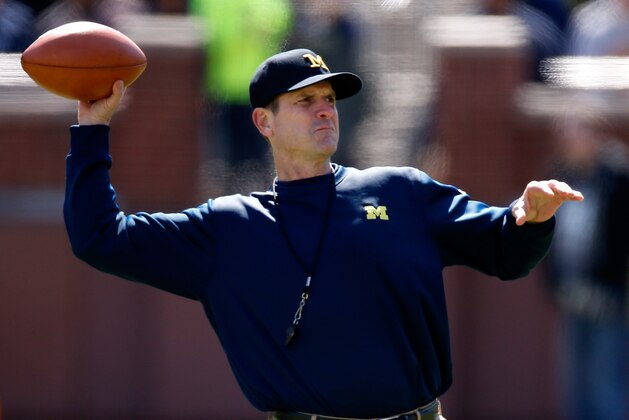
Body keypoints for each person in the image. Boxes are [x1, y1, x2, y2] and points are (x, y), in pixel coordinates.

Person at [64, 48, 584, 419]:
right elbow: (100, 237)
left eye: (330, 99)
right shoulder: (228, 227)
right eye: (304, 101)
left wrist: (529, 215)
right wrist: (91, 132)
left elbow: (504, 249)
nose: (324, 110)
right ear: (263, 123)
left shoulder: (401, 192)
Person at [544, 111, 629, 420]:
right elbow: (547, 234)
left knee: (604, 384)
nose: (568, 140)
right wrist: (554, 284)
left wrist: (609, 287)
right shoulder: (559, 175)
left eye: (576, 132)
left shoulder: (619, 178)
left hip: (610, 300)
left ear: (595, 134)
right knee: (573, 384)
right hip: (570, 294)